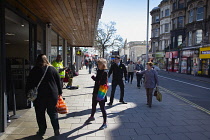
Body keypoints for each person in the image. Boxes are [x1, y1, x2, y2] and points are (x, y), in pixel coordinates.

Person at [25, 54, 62, 136]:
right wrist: (60, 93)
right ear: (46, 60)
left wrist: (27, 93)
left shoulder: (34, 70)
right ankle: (56, 129)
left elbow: (29, 83)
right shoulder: (52, 69)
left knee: (40, 113)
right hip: (52, 95)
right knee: (53, 112)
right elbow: (58, 81)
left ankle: (42, 130)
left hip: (39, 96)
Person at [85, 58, 108, 130]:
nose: (98, 65)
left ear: (103, 65)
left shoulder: (105, 72)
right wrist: (95, 79)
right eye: (97, 64)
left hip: (101, 92)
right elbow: (98, 81)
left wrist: (94, 78)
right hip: (95, 91)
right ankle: (92, 117)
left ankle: (105, 123)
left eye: (99, 64)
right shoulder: (99, 71)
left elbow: (102, 82)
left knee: (102, 108)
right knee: (93, 105)